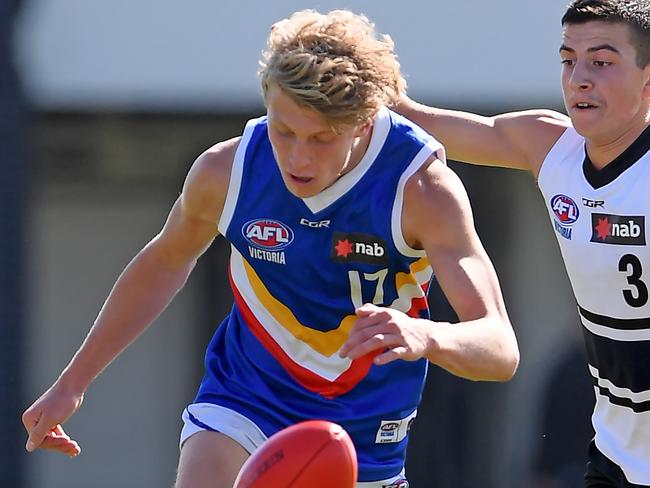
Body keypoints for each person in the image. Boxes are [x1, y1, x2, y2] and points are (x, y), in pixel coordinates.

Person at [21, 9, 519, 488]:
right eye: (283, 130)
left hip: (365, 428)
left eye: (322, 138)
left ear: (364, 123)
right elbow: (165, 259)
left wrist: (425, 334)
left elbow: (499, 350)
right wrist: (73, 381)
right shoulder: (227, 172)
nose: (298, 157)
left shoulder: (421, 189)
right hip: (247, 394)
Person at [397, 0, 650, 486]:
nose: (578, 77)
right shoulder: (549, 147)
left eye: (601, 62)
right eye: (568, 59)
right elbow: (415, 123)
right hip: (616, 452)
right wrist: (350, 74)